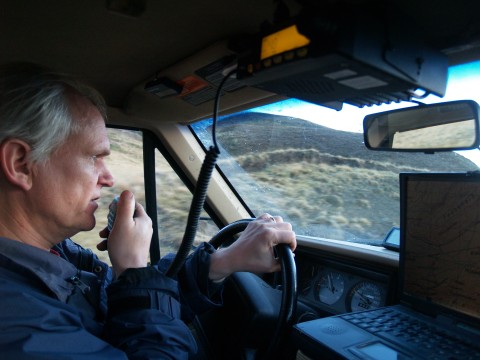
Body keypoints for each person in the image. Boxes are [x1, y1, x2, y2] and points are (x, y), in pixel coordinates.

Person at [0, 63, 297, 359]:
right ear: (21, 163)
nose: (108, 178)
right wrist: (131, 268)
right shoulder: (15, 321)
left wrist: (221, 261)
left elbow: (124, 309)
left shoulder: (55, 253)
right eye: (93, 157)